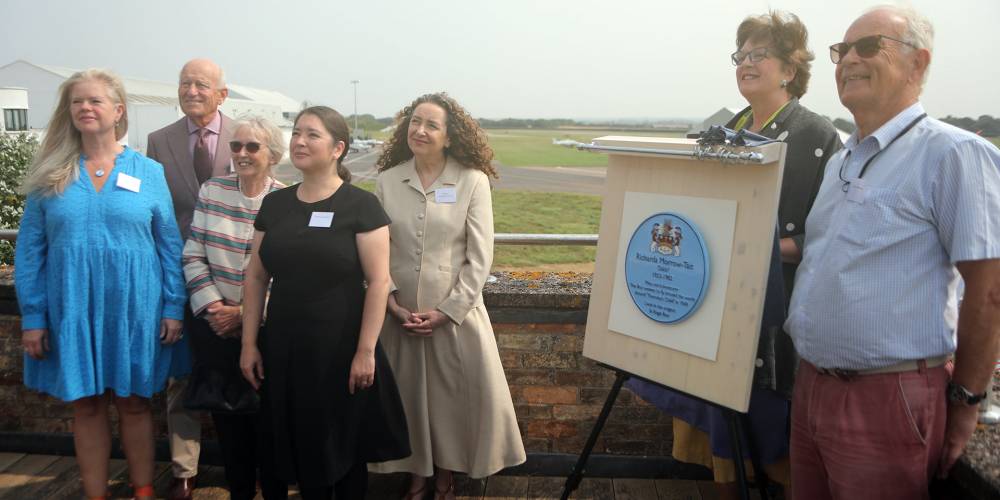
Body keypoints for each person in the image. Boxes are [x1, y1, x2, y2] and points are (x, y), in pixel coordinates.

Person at [787, 5, 1000, 499]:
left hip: (886, 397)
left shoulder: (952, 154)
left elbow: (988, 293)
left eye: (868, 47)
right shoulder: (843, 158)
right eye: (842, 51)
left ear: (917, 65)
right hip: (813, 388)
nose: (847, 61)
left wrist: (966, 400)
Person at [625, 11, 841, 499]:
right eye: (740, 55)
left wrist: (753, 251)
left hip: (774, 315)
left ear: (790, 68)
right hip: (717, 305)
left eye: (759, 54)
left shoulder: (815, 135)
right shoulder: (725, 127)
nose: (746, 62)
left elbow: (825, 238)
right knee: (724, 447)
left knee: (774, 448)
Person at [15, 68, 186, 500]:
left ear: (118, 111)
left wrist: (171, 306)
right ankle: (96, 495)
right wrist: (33, 316)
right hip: (71, 307)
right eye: (77, 101)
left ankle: (143, 490)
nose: (85, 108)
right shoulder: (51, 173)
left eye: (95, 101)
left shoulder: (148, 171)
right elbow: (30, 251)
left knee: (133, 402)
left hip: (135, 308)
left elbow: (169, 245)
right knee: (86, 403)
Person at [239, 106, 411, 499]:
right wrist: (250, 344)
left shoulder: (361, 207)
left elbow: (379, 281)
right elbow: (256, 276)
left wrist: (365, 351)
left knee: (340, 449)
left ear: (338, 148)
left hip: (338, 350)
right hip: (282, 347)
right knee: (285, 443)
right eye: (297, 133)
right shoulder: (275, 205)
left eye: (312, 135)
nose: (300, 141)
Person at [370, 93, 526, 500]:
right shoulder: (388, 180)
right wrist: (389, 302)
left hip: (456, 318)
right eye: (414, 122)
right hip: (398, 315)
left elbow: (480, 254)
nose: (419, 131)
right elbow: (376, 250)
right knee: (407, 402)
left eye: (431, 125)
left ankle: (445, 476)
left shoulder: (471, 180)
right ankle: (416, 476)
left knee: (451, 404)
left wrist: (449, 310)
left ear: (450, 136)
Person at [181, 115, 286, 499]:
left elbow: (291, 273)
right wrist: (214, 308)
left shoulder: (286, 200)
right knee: (228, 423)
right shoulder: (213, 191)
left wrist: (247, 315)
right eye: (236, 146)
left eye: (252, 147)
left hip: (265, 330)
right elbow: (193, 254)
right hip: (217, 329)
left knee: (269, 422)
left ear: (273, 154)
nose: (242, 153)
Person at [146, 57, 235, 500]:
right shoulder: (158, 141)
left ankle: (244, 460)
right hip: (180, 275)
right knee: (181, 374)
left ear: (223, 94)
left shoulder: (247, 136)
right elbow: (154, 214)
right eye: (185, 83)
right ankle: (184, 469)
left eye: (202, 84)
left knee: (239, 370)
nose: (191, 90)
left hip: (237, 281)